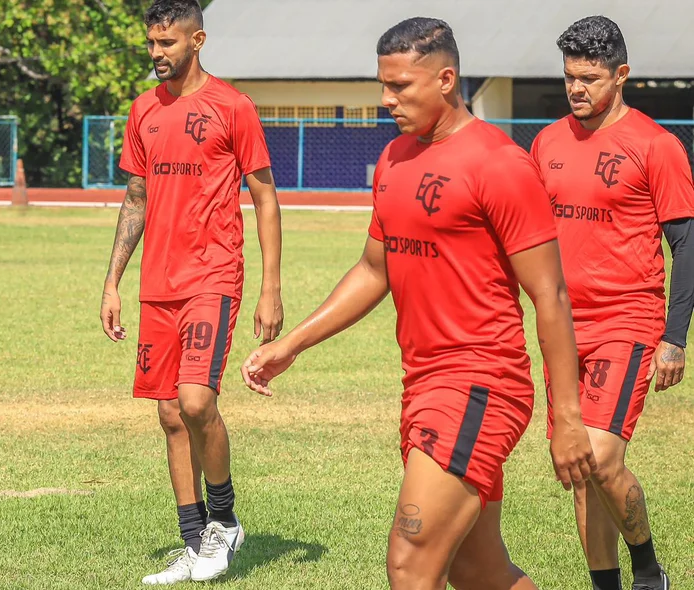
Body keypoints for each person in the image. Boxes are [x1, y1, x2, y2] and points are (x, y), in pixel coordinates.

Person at [241, 17, 596, 590]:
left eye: (401, 86)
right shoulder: (394, 160)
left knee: (409, 559)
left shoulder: (500, 165)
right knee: (479, 571)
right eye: (383, 85)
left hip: (480, 384)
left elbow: (550, 295)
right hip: (423, 383)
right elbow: (374, 269)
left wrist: (569, 419)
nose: (387, 100)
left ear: (446, 79)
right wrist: (291, 345)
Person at [99, 0, 283, 584]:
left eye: (167, 43)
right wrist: (112, 282)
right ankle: (191, 541)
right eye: (151, 44)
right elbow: (136, 199)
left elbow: (265, 195)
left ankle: (224, 523)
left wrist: (270, 286)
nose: (157, 54)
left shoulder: (233, 107)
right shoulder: (142, 111)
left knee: (197, 402)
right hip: (158, 285)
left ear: (197, 40)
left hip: (214, 275)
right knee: (170, 416)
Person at [529, 16, 694, 590]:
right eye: (570, 76)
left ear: (621, 75)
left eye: (591, 78)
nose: (577, 88)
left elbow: (686, 244)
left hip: (628, 320)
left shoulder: (656, 145)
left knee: (599, 457)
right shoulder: (546, 142)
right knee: (579, 471)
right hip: (562, 326)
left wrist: (675, 336)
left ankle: (648, 573)